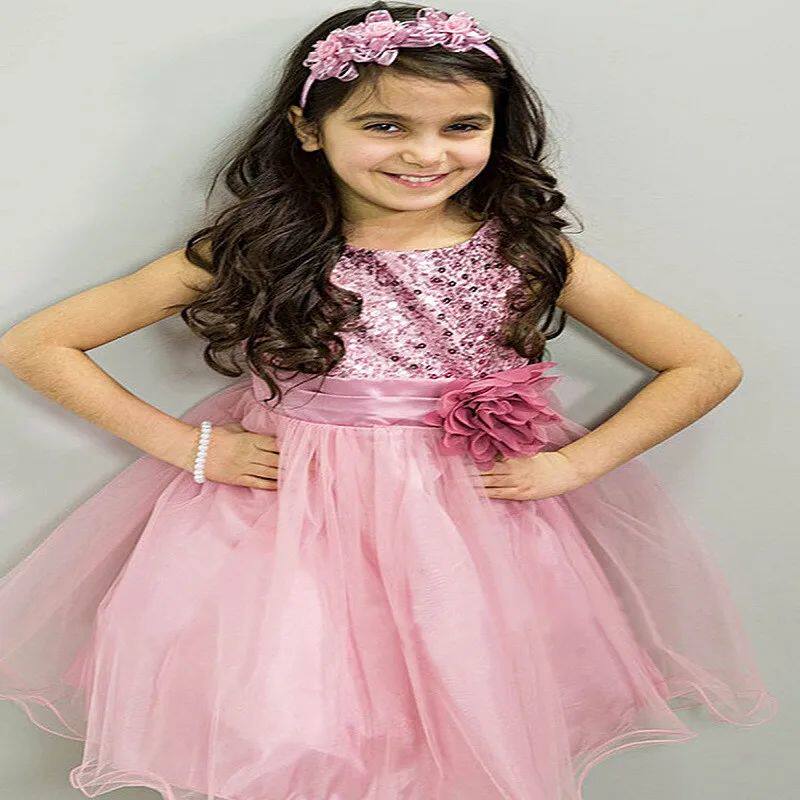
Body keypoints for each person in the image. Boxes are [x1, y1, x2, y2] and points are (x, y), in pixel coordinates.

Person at [0, 3, 778, 799]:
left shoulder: (524, 251)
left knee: (465, 700)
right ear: (309, 129)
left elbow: (703, 365)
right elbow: (38, 344)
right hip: (289, 523)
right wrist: (188, 447)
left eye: (462, 127)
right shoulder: (257, 250)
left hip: (466, 528)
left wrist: (575, 465)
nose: (426, 154)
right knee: (291, 711)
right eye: (385, 125)